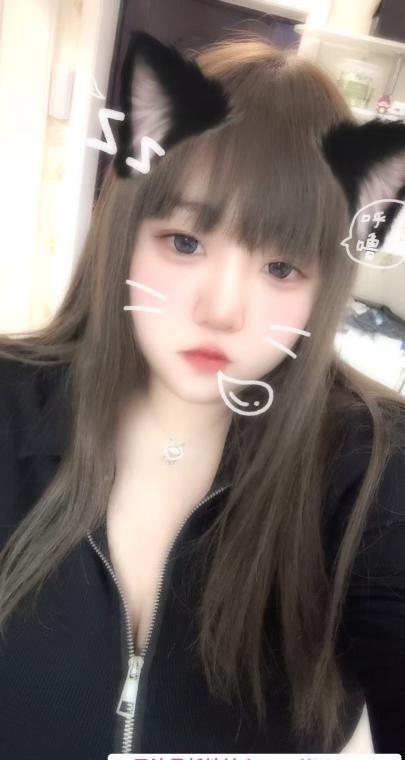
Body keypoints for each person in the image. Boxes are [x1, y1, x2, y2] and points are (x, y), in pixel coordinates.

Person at [0, 30, 404, 759]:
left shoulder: (372, 467)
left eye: (281, 268)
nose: (221, 311)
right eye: (185, 242)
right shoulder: (7, 399)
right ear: (127, 230)